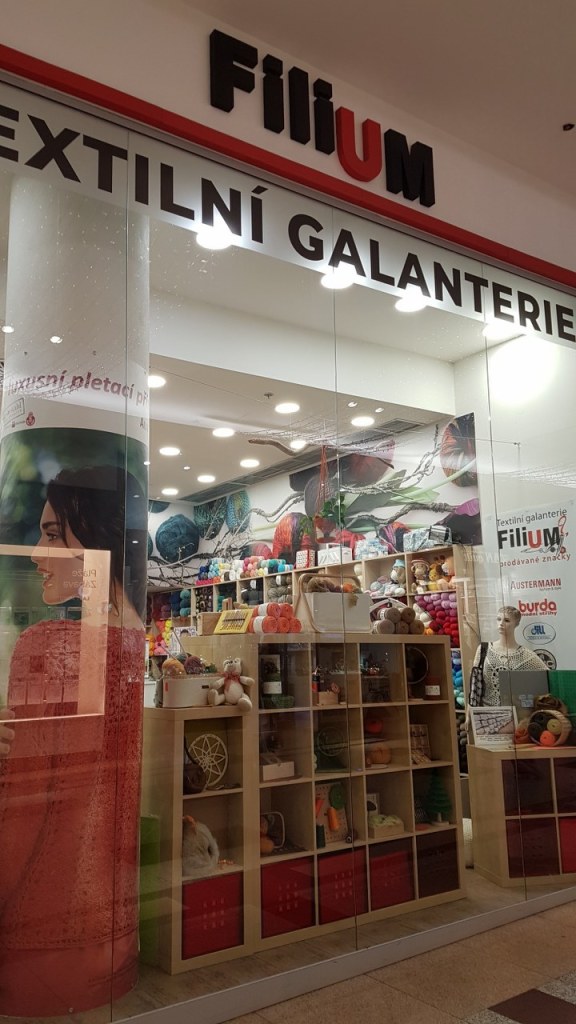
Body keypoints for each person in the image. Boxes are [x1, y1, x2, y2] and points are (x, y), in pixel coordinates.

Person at [0, 465, 147, 1016]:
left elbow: (24, 812)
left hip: (38, 922)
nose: (37, 554)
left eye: (52, 534)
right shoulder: (135, 641)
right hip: (114, 920)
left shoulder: (46, 644)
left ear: (94, 538)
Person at [469, 605, 546, 706]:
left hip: (514, 711)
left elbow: (547, 676)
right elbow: (474, 683)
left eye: (506, 620)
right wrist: (470, 711)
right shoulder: (484, 649)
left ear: (516, 624)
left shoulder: (526, 655)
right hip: (486, 710)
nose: (501, 623)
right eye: (498, 619)